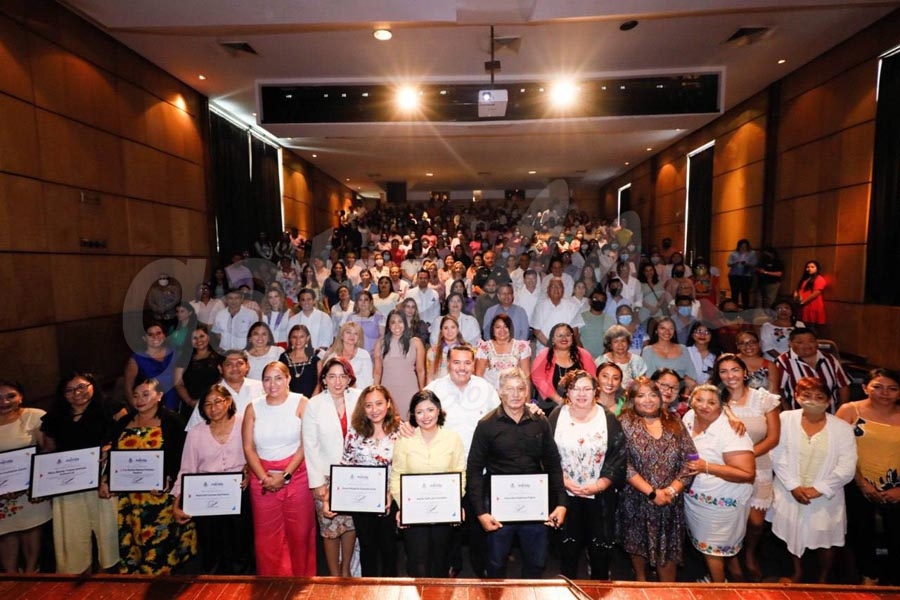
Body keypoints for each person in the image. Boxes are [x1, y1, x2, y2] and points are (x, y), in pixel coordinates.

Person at [466, 367, 568, 579]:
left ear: (527, 391)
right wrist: (480, 512)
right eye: (509, 389)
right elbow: (474, 470)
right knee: (495, 564)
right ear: (500, 392)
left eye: (520, 388)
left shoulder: (540, 421)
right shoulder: (486, 425)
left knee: (537, 563)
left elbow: (552, 462)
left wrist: (561, 503)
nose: (515, 394)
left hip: (535, 506)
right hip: (498, 509)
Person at [769, 376, 855, 583]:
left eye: (819, 396)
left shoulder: (842, 428)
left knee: (825, 536)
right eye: (806, 396)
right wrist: (793, 486)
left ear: (828, 400)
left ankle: (823, 578)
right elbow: (776, 454)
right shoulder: (785, 419)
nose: (812, 401)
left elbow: (847, 466)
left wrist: (820, 489)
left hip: (826, 496)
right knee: (792, 530)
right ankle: (797, 572)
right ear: (797, 396)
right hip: (790, 490)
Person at [40, 373, 126, 574]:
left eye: (81, 387)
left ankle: (108, 578)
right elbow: (48, 451)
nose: (76, 393)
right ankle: (78, 580)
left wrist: (110, 453)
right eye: (69, 390)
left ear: (92, 386)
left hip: (103, 484)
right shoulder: (54, 417)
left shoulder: (112, 409)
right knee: (72, 536)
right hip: (67, 486)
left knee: (109, 533)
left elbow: (125, 440)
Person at [111, 378, 197, 574]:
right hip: (131, 498)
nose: (140, 400)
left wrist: (170, 477)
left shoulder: (173, 422)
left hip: (161, 497)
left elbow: (183, 457)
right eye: (136, 395)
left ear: (159, 396)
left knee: (159, 548)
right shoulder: (123, 422)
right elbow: (115, 454)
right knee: (133, 542)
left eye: (146, 394)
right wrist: (108, 478)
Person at [709, 353, 781, 581]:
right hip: (727, 469)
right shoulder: (716, 401)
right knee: (732, 518)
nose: (730, 376)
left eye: (735, 370)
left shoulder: (764, 399)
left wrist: (747, 458)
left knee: (755, 522)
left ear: (745, 372)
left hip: (759, 465)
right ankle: (732, 558)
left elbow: (773, 438)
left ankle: (749, 553)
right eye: (724, 371)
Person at [548, 370, 625, 579]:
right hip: (565, 495)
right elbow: (546, 454)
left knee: (600, 551)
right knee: (567, 551)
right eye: (575, 389)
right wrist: (563, 481)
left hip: (600, 496)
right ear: (568, 392)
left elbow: (619, 455)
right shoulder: (556, 415)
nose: (581, 394)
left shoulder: (607, 417)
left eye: (587, 389)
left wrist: (600, 484)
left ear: (595, 392)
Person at [618, 377, 696, 581]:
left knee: (668, 554)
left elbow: (692, 459)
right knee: (636, 543)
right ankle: (641, 580)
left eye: (653, 394)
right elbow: (622, 463)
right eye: (641, 395)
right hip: (636, 500)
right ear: (632, 399)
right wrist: (652, 493)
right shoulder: (624, 423)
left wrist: (670, 491)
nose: (648, 400)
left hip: (670, 503)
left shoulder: (674, 421)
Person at [242, 362, 316, 576]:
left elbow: (306, 443)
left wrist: (285, 475)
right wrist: (264, 477)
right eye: (267, 379)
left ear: (288, 379)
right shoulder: (253, 407)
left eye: (278, 378)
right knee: (267, 537)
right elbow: (248, 447)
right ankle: (271, 586)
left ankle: (302, 585)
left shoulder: (302, 403)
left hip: (297, 475)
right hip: (261, 478)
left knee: (300, 534)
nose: (272, 384)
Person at [171, 385, 251, 574]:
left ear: (229, 401)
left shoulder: (243, 423)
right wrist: (176, 503)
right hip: (205, 497)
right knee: (212, 552)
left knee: (241, 548)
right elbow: (187, 468)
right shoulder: (196, 432)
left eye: (218, 401)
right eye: (207, 404)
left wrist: (249, 469)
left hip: (239, 493)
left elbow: (255, 453)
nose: (213, 408)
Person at [682, 384, 755, 582]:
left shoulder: (731, 431)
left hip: (721, 503)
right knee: (714, 548)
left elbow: (747, 473)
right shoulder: (689, 417)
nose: (704, 406)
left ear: (721, 406)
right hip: (696, 499)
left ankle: (718, 588)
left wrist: (706, 466)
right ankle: (725, 579)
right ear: (691, 401)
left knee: (713, 550)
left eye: (711, 402)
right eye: (699, 400)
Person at [390, 390, 466, 578]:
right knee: (418, 564)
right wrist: (402, 507)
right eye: (419, 411)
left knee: (440, 562)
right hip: (414, 513)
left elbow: (460, 473)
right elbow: (396, 475)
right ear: (413, 415)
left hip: (443, 512)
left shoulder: (452, 438)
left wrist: (457, 503)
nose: (425, 416)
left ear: (439, 411)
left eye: (430, 410)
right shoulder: (404, 439)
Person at [836, 368, 900, 586]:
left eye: (892, 389)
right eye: (878, 387)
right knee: (861, 530)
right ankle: (868, 575)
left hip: (897, 485)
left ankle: (894, 579)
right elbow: (838, 450)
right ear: (864, 388)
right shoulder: (849, 410)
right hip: (857, 481)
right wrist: (861, 482)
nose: (885, 393)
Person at [303, 357, 360, 577]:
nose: (338, 382)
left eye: (343, 376)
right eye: (332, 376)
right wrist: (317, 483)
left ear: (349, 378)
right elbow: (310, 445)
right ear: (324, 379)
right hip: (325, 476)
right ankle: (334, 576)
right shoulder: (314, 404)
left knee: (350, 525)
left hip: (354, 476)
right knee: (329, 528)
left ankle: (346, 570)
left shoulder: (359, 398)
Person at [341, 385, 400, 576]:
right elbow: (346, 464)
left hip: (390, 501)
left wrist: (391, 493)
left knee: (390, 549)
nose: (374, 410)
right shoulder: (354, 432)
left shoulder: (401, 431)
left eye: (379, 403)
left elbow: (406, 467)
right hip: (362, 502)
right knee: (367, 548)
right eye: (368, 405)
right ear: (362, 408)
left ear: (388, 404)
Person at [0, 380, 51, 573]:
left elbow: (47, 449)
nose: (4, 402)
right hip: (2, 493)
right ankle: (11, 579)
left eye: (10, 396)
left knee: (31, 531)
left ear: (20, 397)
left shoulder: (34, 416)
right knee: (5, 535)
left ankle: (31, 576)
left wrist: (37, 483)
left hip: (30, 488)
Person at [776, 327, 850, 413]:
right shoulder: (783, 362)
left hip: (830, 414)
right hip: (798, 415)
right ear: (790, 343)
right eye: (800, 342)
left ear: (816, 342)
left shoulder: (829, 359)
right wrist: (788, 412)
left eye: (811, 341)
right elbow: (778, 391)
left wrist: (841, 410)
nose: (807, 345)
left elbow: (843, 386)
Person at [531, 322, 595, 414]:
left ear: (572, 337)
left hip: (580, 403)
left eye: (567, 335)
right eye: (559, 335)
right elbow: (538, 379)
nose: (564, 338)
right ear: (552, 339)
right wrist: (560, 400)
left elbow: (593, 379)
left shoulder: (584, 355)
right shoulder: (544, 355)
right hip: (549, 404)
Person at [373, 309, 425, 420]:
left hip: (410, 391)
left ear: (405, 323)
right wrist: (375, 392)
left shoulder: (415, 343)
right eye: (393, 322)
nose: (397, 325)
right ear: (388, 325)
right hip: (388, 391)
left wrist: (422, 392)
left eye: (400, 321)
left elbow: (421, 370)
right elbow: (377, 372)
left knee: (410, 427)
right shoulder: (380, 343)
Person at [124, 321, 179, 411]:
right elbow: (128, 388)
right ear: (144, 338)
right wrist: (137, 407)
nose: (155, 337)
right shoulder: (136, 359)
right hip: (149, 407)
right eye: (150, 334)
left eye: (158, 333)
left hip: (175, 404)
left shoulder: (174, 354)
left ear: (164, 335)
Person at [173, 324, 222, 418]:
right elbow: (178, 384)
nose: (199, 340)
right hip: (191, 405)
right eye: (194, 338)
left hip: (215, 403)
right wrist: (190, 402)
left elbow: (223, 379)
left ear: (208, 337)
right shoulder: (183, 358)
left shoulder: (219, 356)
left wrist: (210, 400)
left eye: (202, 336)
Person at [474, 314, 531, 389]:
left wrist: (526, 400)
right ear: (492, 329)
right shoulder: (485, 347)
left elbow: (526, 376)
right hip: (490, 393)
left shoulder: (522, 347)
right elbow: (479, 376)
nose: (502, 330)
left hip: (514, 393)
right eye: (498, 327)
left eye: (506, 327)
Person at [532, 277, 585, 353]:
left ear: (563, 290)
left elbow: (574, 331)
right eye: (553, 286)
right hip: (545, 349)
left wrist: (563, 347)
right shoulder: (540, 307)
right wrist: (550, 346)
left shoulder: (572, 307)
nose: (556, 289)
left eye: (559, 286)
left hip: (566, 350)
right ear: (548, 290)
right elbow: (537, 331)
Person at [641, 317, 698, 385]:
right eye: (662, 328)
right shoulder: (648, 351)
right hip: (658, 391)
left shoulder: (683, 349)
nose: (667, 332)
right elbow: (650, 378)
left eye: (671, 328)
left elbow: (691, 375)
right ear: (656, 331)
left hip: (681, 390)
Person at [321, 321, 373, 390]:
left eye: (356, 334)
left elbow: (368, 381)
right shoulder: (332, 357)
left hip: (359, 395)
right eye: (348, 332)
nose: (352, 336)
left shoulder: (364, 354)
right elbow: (325, 380)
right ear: (342, 336)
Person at [279, 325, 321, 397]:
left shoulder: (316, 360)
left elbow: (320, 383)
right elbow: (281, 380)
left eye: (301, 337)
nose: (298, 340)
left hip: (312, 402)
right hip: (289, 400)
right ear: (290, 339)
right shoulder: (283, 358)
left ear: (307, 338)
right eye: (294, 337)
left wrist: (311, 402)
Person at [289, 288, 335, 352]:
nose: (306, 302)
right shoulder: (293, 320)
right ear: (299, 302)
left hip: (320, 355)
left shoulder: (324, 317)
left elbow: (328, 340)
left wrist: (316, 354)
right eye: (303, 300)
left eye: (309, 299)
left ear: (314, 301)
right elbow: (291, 340)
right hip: (299, 355)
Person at [426, 314, 464, 383]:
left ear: (457, 329)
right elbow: (430, 377)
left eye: (453, 327)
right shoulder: (434, 351)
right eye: (446, 328)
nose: (449, 331)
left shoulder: (466, 350)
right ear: (441, 331)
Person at [794, 260, 826, 334]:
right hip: (803, 305)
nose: (809, 269)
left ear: (817, 269)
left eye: (812, 267)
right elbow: (798, 289)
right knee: (804, 325)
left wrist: (803, 302)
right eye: (808, 267)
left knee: (811, 327)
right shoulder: (805, 279)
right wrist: (796, 297)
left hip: (812, 305)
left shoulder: (819, 278)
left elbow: (816, 293)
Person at [727, 239, 757, 308]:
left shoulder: (752, 253)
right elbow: (728, 263)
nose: (743, 248)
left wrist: (747, 264)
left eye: (745, 246)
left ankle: (745, 309)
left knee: (745, 293)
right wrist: (736, 262)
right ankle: (734, 308)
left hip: (746, 275)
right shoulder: (733, 254)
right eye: (742, 246)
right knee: (735, 293)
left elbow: (755, 263)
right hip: (735, 275)